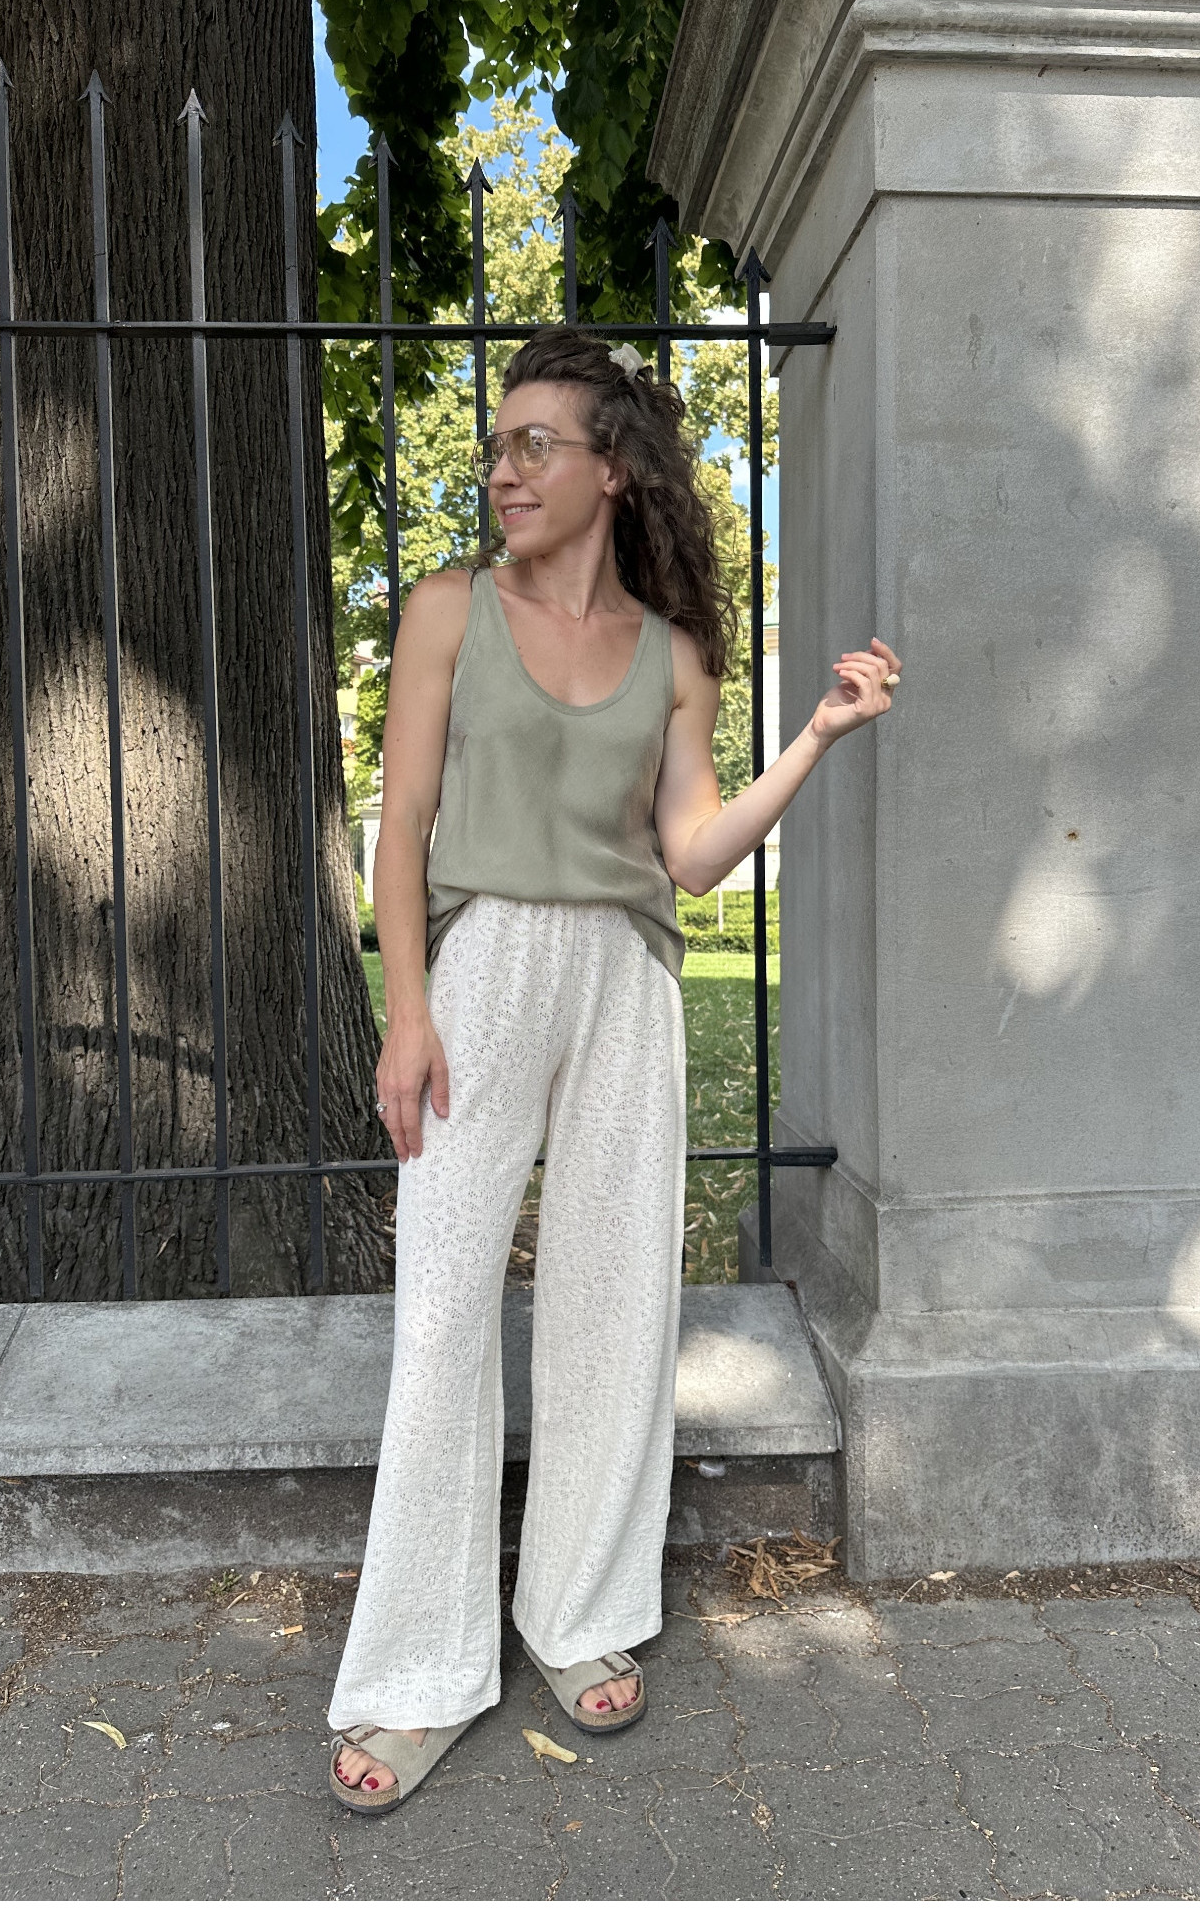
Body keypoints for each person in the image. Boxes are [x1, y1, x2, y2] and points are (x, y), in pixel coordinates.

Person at [326, 325, 901, 1814]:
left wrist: (816, 739)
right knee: (442, 1313)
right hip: (484, 972)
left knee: (612, 1306)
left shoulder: (675, 654)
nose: (503, 469)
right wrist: (406, 1011)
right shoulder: (450, 608)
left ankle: (577, 1609)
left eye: (535, 444)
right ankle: (417, 1671)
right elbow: (401, 827)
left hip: (626, 985)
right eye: (497, 446)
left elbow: (692, 857)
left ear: (615, 468)